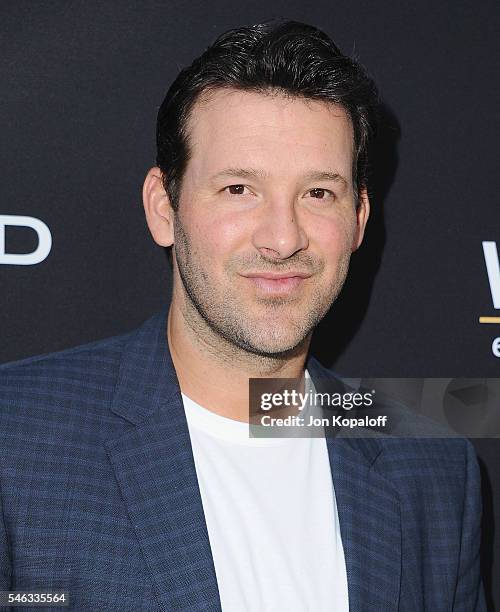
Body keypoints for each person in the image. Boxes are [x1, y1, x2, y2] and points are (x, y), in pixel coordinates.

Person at [0, 20, 485, 611]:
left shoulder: (433, 470)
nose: (282, 239)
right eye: (238, 189)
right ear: (163, 208)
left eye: (318, 193)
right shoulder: (17, 438)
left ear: (359, 219)